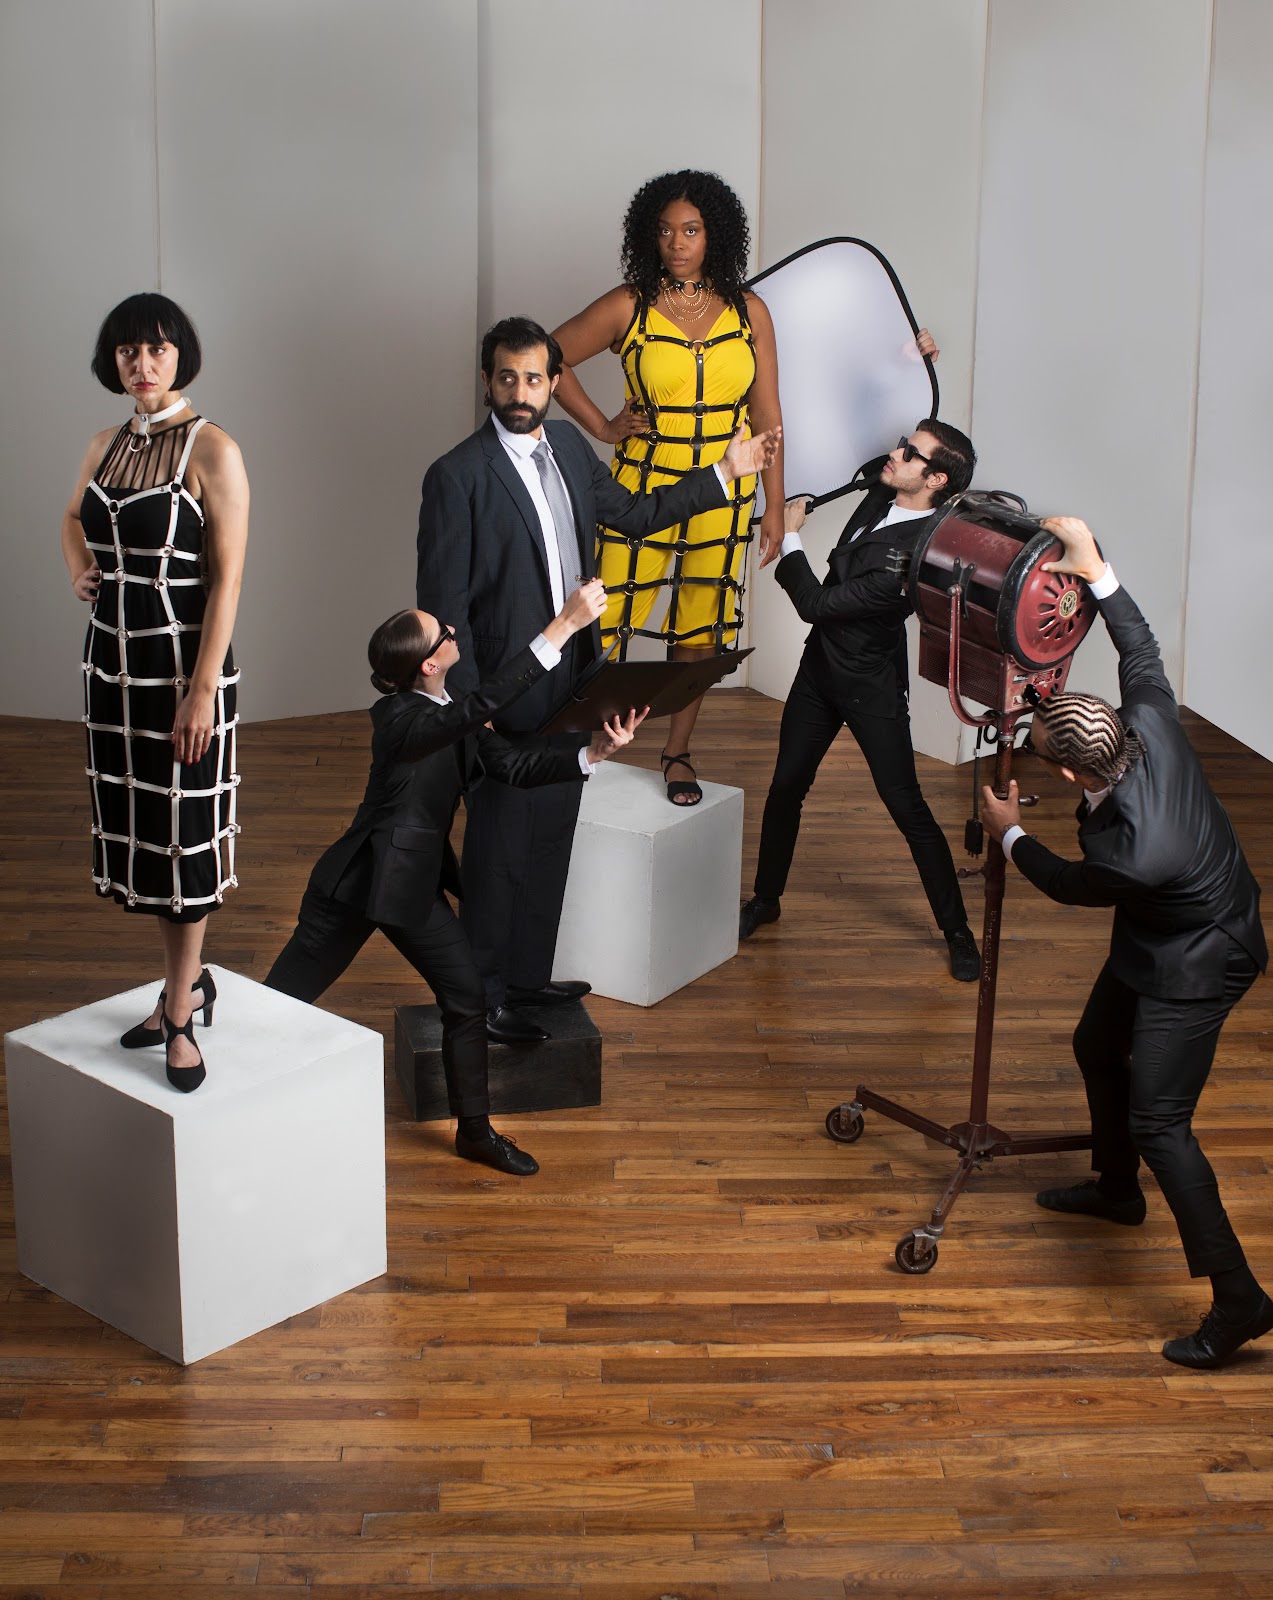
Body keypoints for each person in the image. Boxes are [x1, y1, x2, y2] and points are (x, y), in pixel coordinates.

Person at [416, 315, 780, 1043]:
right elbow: (441, 606)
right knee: (496, 856)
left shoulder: (573, 453)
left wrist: (726, 473)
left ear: (554, 382)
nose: (520, 392)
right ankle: (482, 1001)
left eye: (534, 378)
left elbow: (639, 515)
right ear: (488, 381)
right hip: (502, 689)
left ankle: (524, 980)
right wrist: (468, 707)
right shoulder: (456, 475)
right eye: (506, 378)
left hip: (573, 678)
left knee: (550, 838)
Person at [981, 515, 1270, 1369]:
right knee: (1092, 1044)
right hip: (1161, 934)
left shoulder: (1129, 855)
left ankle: (1239, 1298)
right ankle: (1116, 1193)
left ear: (1072, 774)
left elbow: (1073, 886)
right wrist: (1094, 567)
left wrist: (1006, 835)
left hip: (1205, 959)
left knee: (1162, 1124)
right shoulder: (1148, 718)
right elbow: (1137, 645)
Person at [265, 581, 642, 1176]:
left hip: (408, 886)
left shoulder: (446, 710)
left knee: (465, 1001)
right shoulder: (399, 719)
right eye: (445, 633)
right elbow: (480, 708)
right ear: (430, 661)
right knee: (279, 1002)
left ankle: (475, 1134)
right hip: (353, 885)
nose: (455, 633)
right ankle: (191, 1018)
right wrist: (562, 628)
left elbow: (511, 764)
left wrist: (592, 754)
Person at [61, 293, 249, 1092]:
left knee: (183, 843)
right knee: (144, 842)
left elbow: (228, 577)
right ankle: (186, 984)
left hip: (180, 664)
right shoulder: (105, 442)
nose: (143, 365)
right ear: (114, 359)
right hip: (112, 663)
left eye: (158, 351)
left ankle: (179, 1011)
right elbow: (73, 516)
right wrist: (78, 564)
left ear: (182, 358)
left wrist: (202, 688)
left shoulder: (214, 449)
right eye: (130, 351)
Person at [550, 169, 783, 806]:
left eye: (691, 229)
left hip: (725, 496)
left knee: (698, 629)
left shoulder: (748, 312)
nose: (677, 243)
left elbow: (768, 418)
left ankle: (677, 751)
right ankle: (585, 749)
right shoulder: (630, 304)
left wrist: (775, 508)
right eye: (665, 230)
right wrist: (602, 424)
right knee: (608, 617)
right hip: (642, 490)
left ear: (716, 234)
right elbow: (547, 355)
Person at [739, 422, 982, 982]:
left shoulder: (913, 557)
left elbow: (816, 604)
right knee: (785, 788)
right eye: (903, 443)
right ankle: (766, 899)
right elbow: (908, 425)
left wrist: (792, 534)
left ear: (936, 479)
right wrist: (918, 359)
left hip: (869, 687)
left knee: (907, 807)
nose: (894, 454)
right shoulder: (887, 486)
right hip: (818, 673)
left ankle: (958, 931)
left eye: (909, 453)